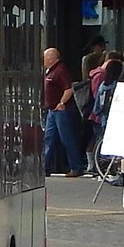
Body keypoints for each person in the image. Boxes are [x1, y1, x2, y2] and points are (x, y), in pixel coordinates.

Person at [42, 47, 85, 178]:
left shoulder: (60, 70)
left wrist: (62, 103)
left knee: (67, 138)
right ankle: (45, 168)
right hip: (52, 111)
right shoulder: (50, 71)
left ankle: (76, 167)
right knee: (49, 138)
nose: (43, 60)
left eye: (45, 58)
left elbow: (68, 89)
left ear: (51, 58)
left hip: (60, 111)